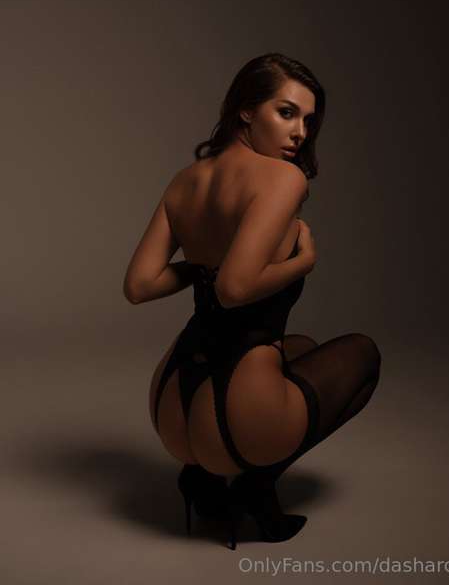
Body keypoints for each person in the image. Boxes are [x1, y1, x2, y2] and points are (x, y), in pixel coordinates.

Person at [123, 52, 381, 549]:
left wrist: (200, 266)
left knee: (302, 348)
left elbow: (139, 286)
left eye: (308, 120)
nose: (300, 132)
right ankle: (255, 485)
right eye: (286, 113)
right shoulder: (284, 178)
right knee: (363, 354)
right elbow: (235, 289)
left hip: (173, 405)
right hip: (231, 418)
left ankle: (200, 480)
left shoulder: (186, 179)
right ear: (245, 109)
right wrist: (304, 262)